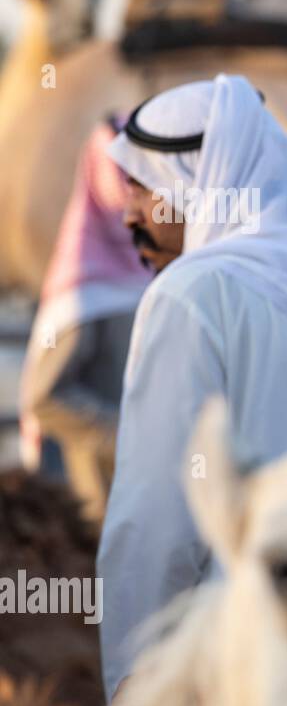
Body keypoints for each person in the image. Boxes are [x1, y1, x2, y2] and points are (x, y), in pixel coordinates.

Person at [97, 75, 287, 700]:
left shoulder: (188, 296)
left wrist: (136, 681)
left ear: (203, 180)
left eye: (143, 188)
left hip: (234, 664)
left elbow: (155, 519)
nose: (128, 213)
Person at [20, 117, 150, 525]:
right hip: (101, 500)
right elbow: (44, 399)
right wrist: (123, 437)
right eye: (120, 170)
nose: (129, 184)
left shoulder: (150, 264)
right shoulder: (82, 292)